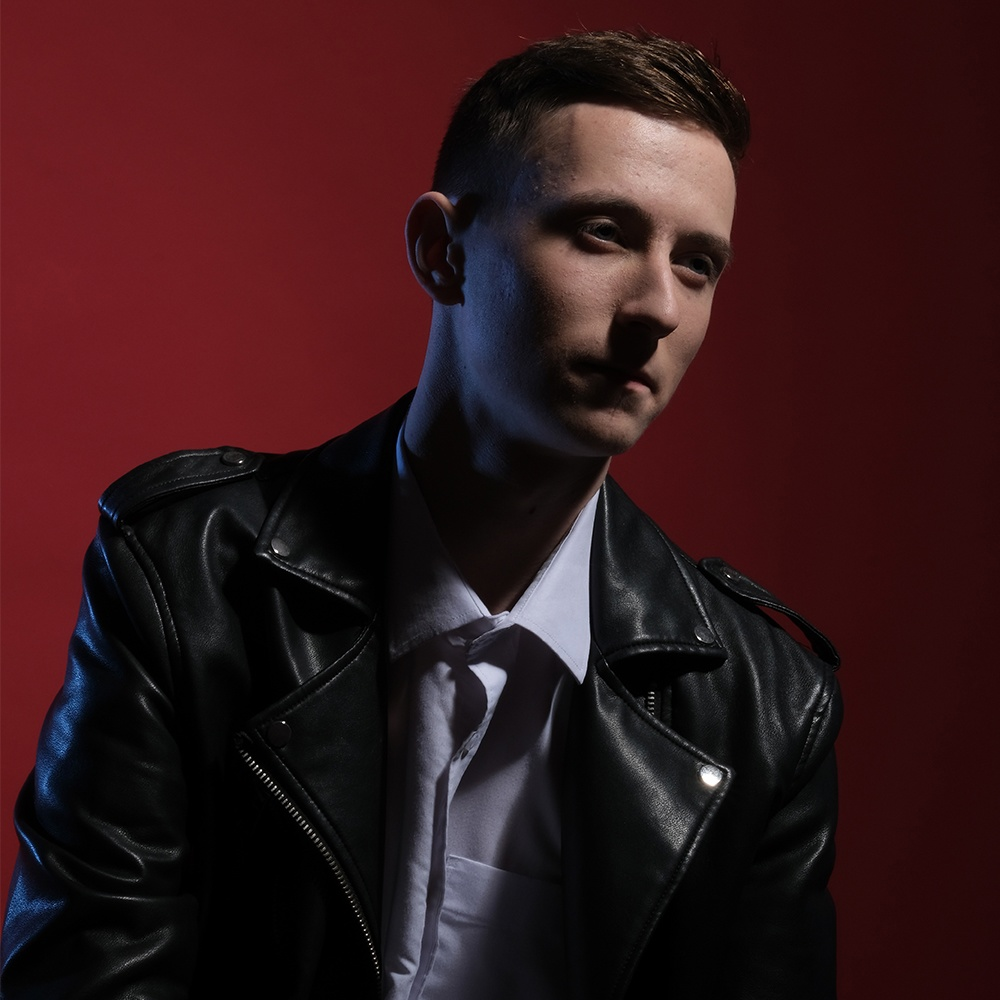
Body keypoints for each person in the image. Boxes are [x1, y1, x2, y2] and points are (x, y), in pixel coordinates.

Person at [1, 30, 841, 1000]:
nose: (658, 306)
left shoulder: (766, 707)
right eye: (603, 233)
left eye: (697, 263)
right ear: (443, 253)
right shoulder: (187, 575)